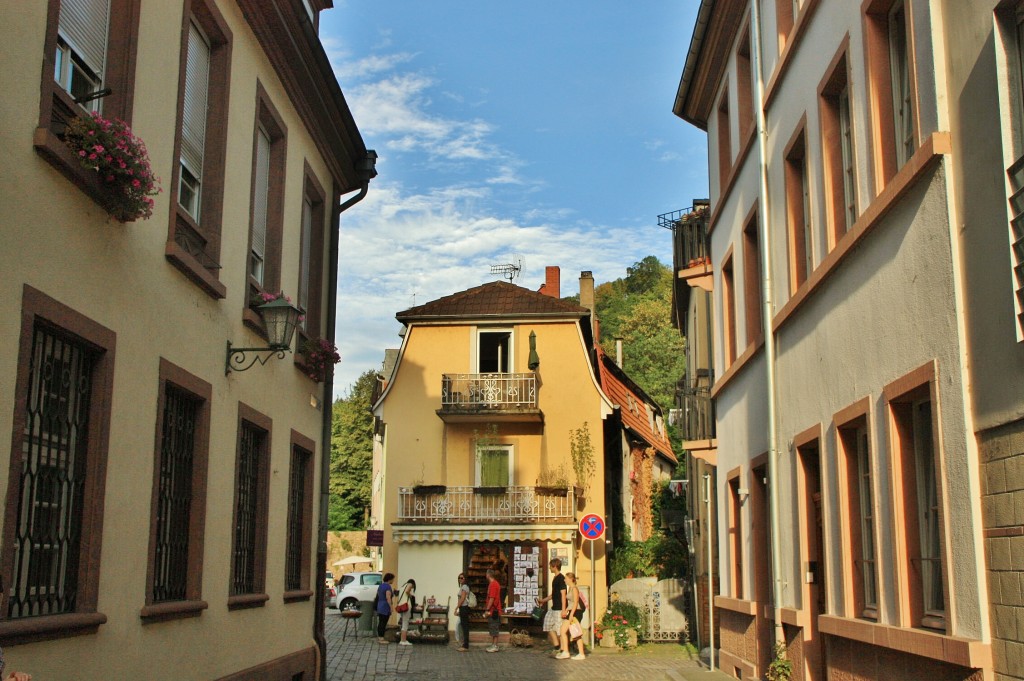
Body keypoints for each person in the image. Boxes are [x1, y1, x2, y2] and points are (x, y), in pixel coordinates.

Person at [534, 557, 566, 651]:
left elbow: (563, 594)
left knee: (559, 630)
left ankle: (563, 649)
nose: (549, 568)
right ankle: (557, 646)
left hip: (559, 608)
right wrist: (543, 600)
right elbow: (553, 594)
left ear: (555, 566)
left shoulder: (561, 578)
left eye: (550, 566)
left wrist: (563, 609)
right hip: (553, 607)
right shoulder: (555, 578)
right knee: (547, 624)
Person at [557, 572, 586, 660]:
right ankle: (566, 651)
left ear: (570, 579)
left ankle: (580, 653)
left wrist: (572, 614)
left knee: (575, 632)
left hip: (575, 612)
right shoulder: (570, 588)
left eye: (566, 578)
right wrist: (566, 610)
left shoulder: (574, 589)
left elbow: (576, 602)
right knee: (564, 630)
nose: (564, 580)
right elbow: (571, 602)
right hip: (571, 611)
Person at [484, 568, 502, 653]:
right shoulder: (494, 584)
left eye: (486, 574)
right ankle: (494, 644)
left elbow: (492, 598)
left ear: (488, 575)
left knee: (494, 628)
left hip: (493, 610)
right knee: (493, 627)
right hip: (493, 610)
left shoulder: (493, 584)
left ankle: (495, 645)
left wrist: (487, 609)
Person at [375, 572, 395, 643]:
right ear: (389, 579)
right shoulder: (388, 587)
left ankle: (380, 637)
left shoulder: (381, 586)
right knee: (384, 622)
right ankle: (381, 638)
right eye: (392, 579)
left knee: (381, 621)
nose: (393, 580)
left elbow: (378, 594)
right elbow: (388, 597)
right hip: (385, 606)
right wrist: (391, 607)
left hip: (380, 604)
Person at [397, 578, 417, 645]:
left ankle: (402, 640)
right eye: (413, 587)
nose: (412, 588)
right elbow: (407, 591)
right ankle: (403, 640)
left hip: (401, 606)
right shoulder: (410, 584)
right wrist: (410, 596)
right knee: (405, 623)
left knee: (403, 622)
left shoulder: (402, 586)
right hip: (406, 606)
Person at [455, 572, 471, 651]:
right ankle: (464, 643)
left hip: (464, 608)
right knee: (462, 625)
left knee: (464, 627)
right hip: (463, 608)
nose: (460, 579)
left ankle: (465, 645)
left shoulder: (464, 587)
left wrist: (456, 608)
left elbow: (462, 598)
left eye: (461, 578)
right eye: (459, 578)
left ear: (465, 579)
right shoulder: (463, 587)